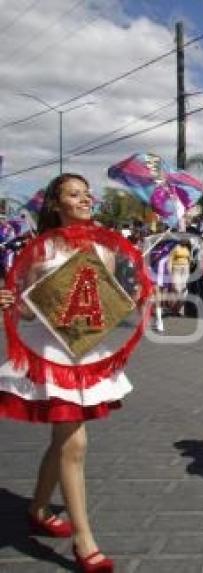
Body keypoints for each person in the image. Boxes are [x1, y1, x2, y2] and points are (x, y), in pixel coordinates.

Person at [0, 174, 124, 572]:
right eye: (75, 194)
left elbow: (102, 304)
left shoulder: (105, 246)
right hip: (50, 351)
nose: (86, 199)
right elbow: (25, 307)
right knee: (74, 442)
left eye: (88, 193)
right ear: (57, 203)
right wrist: (7, 300)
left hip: (84, 350)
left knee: (63, 439)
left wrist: (134, 299)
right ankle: (84, 542)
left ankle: (37, 508)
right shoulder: (39, 250)